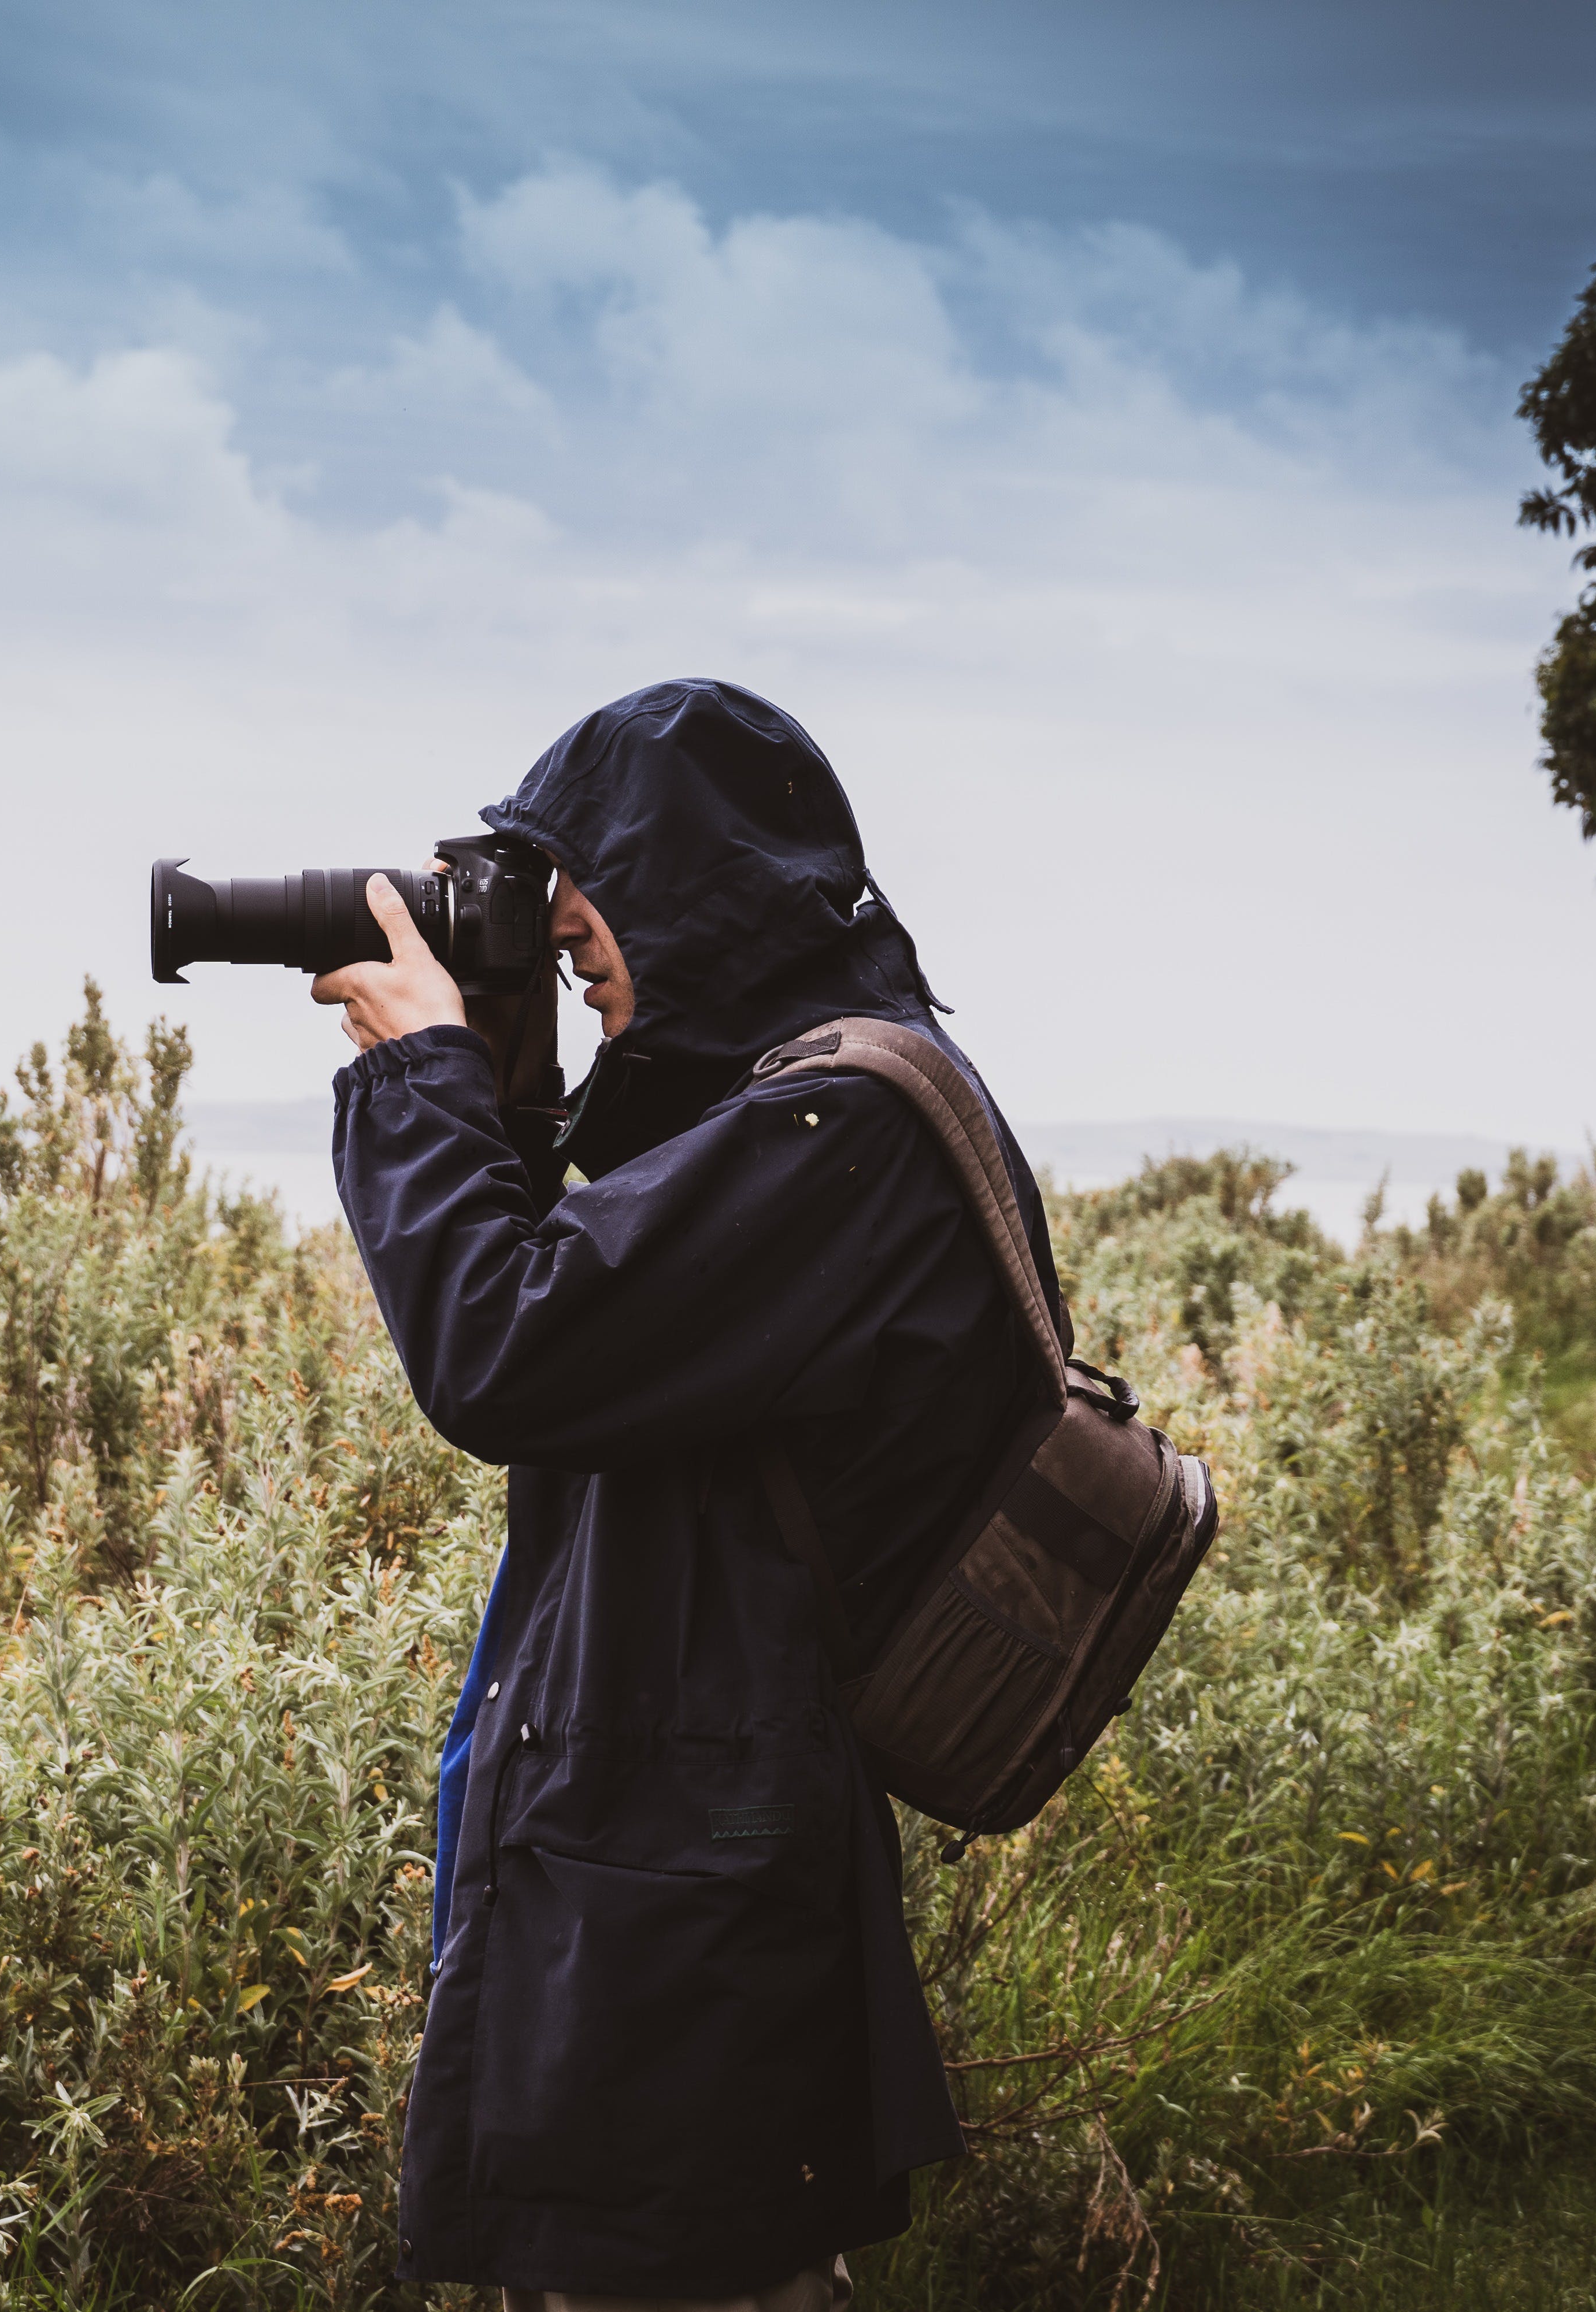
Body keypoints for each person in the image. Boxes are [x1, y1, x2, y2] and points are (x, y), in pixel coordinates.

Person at [309, 678, 1060, 2306]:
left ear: (693, 882)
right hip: (681, 1842)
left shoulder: (844, 1131)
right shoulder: (808, 1117)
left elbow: (508, 1347)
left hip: (694, 1881)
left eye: (583, 890)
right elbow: (611, 1311)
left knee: (677, 2268)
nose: (559, 929)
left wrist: (424, 1077)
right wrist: (510, 1092)